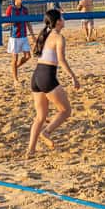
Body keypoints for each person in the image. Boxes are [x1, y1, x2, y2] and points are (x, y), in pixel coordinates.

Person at [27, 9, 79, 156]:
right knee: (66, 110)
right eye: (62, 17)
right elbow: (61, 60)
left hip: (36, 76)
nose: (64, 19)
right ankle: (46, 132)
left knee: (40, 117)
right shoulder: (58, 37)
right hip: (47, 76)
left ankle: (30, 150)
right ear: (57, 21)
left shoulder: (44, 34)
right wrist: (73, 77)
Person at [5, 0, 35, 87]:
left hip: (24, 36)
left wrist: (33, 36)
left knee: (28, 56)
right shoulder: (10, 9)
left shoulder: (25, 9)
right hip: (14, 37)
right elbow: (5, 23)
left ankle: (15, 68)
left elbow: (28, 23)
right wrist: (11, 22)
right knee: (14, 58)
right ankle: (15, 80)